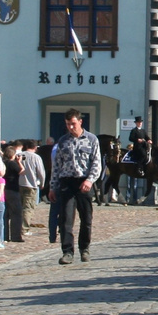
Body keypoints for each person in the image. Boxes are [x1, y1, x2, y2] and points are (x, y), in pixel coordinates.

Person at [50, 108, 102, 264]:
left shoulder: (92, 140)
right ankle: (67, 252)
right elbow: (56, 166)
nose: (70, 127)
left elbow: (97, 163)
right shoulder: (63, 141)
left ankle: (84, 249)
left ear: (80, 122)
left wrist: (90, 180)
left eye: (73, 124)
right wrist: (53, 186)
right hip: (67, 182)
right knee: (65, 219)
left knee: (86, 219)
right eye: (67, 124)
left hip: (84, 182)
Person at [18, 140, 46, 231]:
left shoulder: (19, 155)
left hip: (20, 183)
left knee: (20, 206)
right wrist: (42, 183)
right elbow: (41, 172)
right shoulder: (36, 157)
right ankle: (24, 228)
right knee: (28, 207)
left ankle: (17, 226)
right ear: (35, 147)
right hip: (31, 184)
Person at [127, 117, 151, 203]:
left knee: (147, 155)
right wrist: (137, 140)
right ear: (136, 123)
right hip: (137, 147)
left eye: (140, 122)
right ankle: (139, 167)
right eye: (138, 122)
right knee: (143, 155)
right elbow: (130, 138)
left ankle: (145, 167)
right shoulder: (134, 131)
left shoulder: (143, 131)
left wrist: (149, 140)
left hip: (144, 146)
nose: (139, 123)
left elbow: (147, 137)